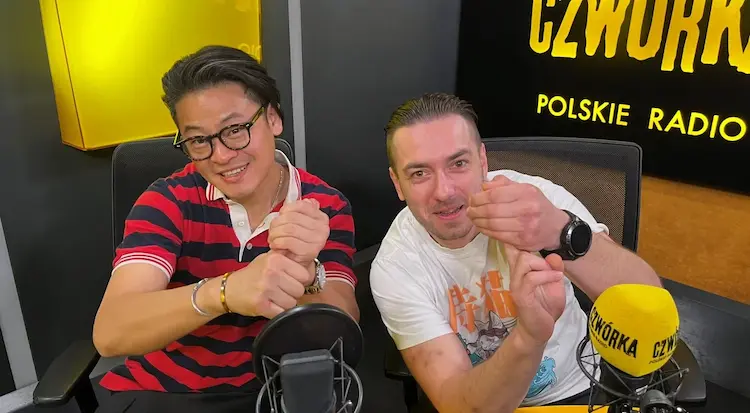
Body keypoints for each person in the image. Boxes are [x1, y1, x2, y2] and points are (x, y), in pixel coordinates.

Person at [91, 45, 359, 413]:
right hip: (167, 391)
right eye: (199, 140)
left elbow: (343, 328)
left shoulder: (323, 206)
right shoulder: (167, 201)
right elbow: (111, 332)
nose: (221, 155)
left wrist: (307, 272)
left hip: (277, 389)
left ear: (273, 118)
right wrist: (224, 292)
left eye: (235, 129)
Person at [370, 93, 662, 413]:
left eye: (458, 164)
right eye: (419, 173)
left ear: (483, 161)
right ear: (397, 183)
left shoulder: (537, 200)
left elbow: (647, 298)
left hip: (583, 387)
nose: (444, 191)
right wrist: (529, 336)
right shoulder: (397, 265)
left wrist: (558, 231)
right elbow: (458, 404)